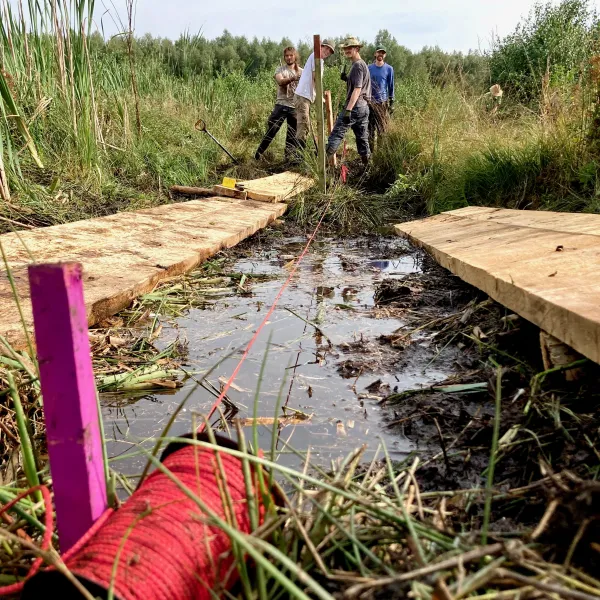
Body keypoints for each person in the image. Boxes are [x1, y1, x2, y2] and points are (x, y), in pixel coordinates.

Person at [326, 36, 371, 166]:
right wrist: (347, 79)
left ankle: (320, 169)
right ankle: (367, 169)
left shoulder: (357, 66)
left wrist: (348, 110)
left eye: (349, 48)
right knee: (362, 139)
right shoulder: (362, 64)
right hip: (364, 108)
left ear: (357, 49)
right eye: (345, 48)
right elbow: (361, 85)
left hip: (355, 107)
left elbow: (357, 90)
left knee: (336, 134)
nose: (346, 50)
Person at [254, 47, 303, 160]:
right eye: (287, 56)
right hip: (281, 106)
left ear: (295, 56)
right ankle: (257, 156)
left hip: (295, 107)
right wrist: (293, 78)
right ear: (284, 57)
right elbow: (280, 82)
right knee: (271, 131)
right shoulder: (280, 70)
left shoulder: (302, 71)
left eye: (291, 55)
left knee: (292, 135)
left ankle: (288, 159)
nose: (289, 57)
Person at [293, 39, 335, 152]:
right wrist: (319, 95)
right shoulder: (317, 58)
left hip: (305, 96)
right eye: (326, 48)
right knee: (303, 127)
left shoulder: (318, 58)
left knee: (305, 126)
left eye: (330, 51)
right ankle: (298, 157)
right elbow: (315, 77)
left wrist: (317, 95)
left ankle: (300, 155)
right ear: (321, 46)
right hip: (303, 96)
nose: (327, 52)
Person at [368, 46, 395, 150]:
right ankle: (371, 153)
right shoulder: (369, 68)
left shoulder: (389, 69)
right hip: (370, 102)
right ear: (375, 54)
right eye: (379, 52)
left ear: (385, 55)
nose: (381, 54)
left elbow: (391, 85)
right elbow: (362, 82)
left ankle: (379, 153)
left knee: (381, 130)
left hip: (382, 103)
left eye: (383, 53)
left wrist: (392, 102)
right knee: (370, 129)